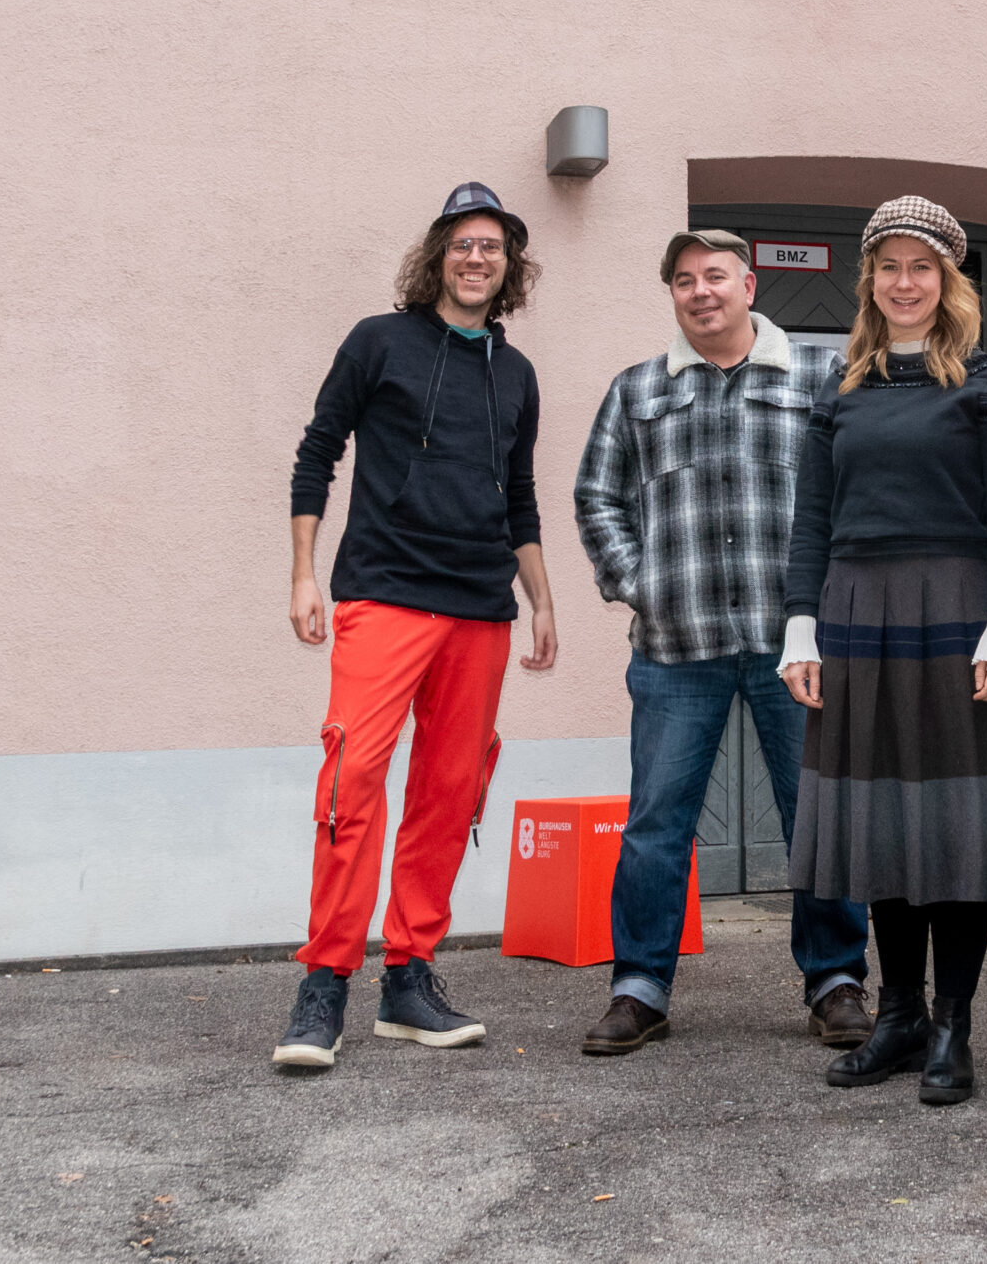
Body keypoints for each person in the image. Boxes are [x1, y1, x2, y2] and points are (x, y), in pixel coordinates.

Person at [273, 183, 559, 1070]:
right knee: (352, 777)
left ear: (510, 266)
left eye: (494, 247)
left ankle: (410, 975)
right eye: (463, 244)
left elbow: (519, 498)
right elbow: (318, 451)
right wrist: (302, 575)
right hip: (384, 595)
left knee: (447, 792)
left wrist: (542, 599)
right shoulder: (378, 342)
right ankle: (325, 981)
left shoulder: (516, 374)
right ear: (437, 256)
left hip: (480, 610)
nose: (478, 259)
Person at [574, 229, 870, 1056]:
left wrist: (836, 598)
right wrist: (643, 583)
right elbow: (597, 498)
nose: (700, 291)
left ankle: (836, 980)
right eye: (682, 280)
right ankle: (640, 989)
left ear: (748, 285)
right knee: (656, 825)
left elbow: (859, 492)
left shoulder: (820, 378)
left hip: (797, 645)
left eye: (714, 277)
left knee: (818, 814)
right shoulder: (636, 390)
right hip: (678, 640)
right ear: (671, 295)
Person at [779, 197, 987, 1106]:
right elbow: (812, 516)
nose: (903, 282)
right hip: (854, 612)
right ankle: (899, 1017)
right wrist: (798, 623)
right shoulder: (839, 385)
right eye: (888, 267)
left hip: (957, 610)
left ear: (948, 279)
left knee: (956, 826)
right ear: (870, 280)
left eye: (920, 266)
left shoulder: (985, 379)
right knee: (883, 822)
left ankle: (955, 1027)